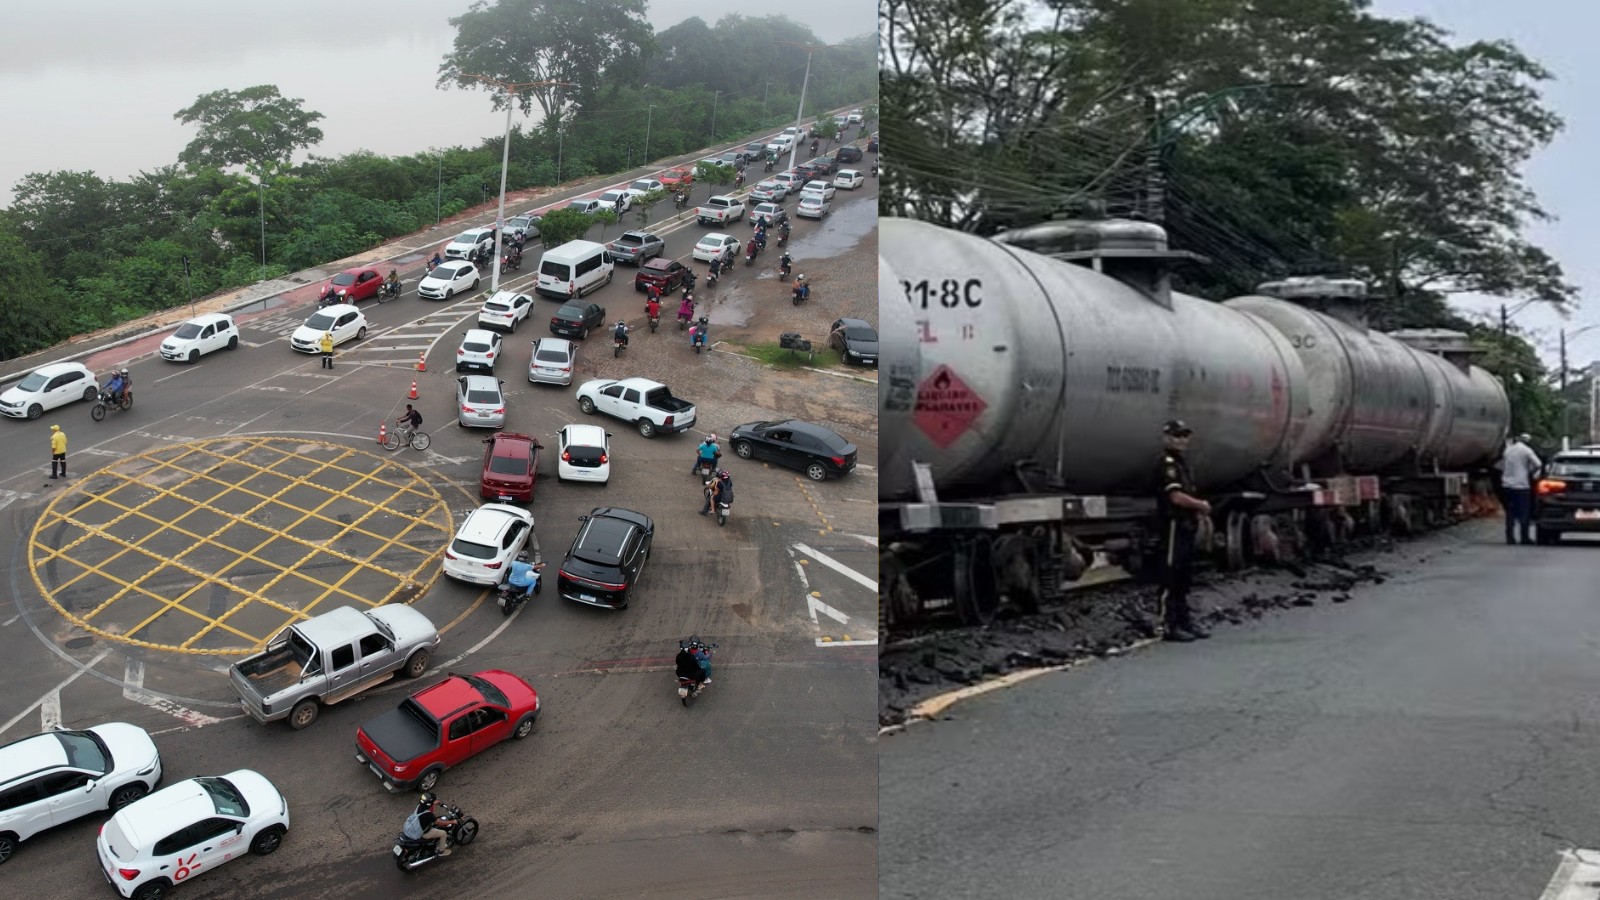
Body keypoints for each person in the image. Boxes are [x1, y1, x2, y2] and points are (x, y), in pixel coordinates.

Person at [1154, 419, 1210, 642]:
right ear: (1166, 438)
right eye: (1177, 436)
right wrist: (1200, 505)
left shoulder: (1181, 463)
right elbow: (1175, 497)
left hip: (1186, 525)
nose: (1181, 440)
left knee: (1184, 577)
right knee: (1170, 576)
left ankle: (1184, 621)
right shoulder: (1167, 464)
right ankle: (1167, 626)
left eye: (1185, 435)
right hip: (1173, 524)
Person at [1499, 433, 1542, 545]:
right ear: (1527, 441)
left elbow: (1501, 466)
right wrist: (1530, 471)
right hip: (1522, 485)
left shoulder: (1508, 450)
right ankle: (1524, 537)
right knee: (1524, 512)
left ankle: (1510, 537)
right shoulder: (1526, 450)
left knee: (1510, 513)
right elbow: (1538, 464)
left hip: (1507, 485)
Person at [405, 793, 458, 857]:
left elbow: (427, 804)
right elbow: (440, 823)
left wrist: (435, 802)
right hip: (424, 833)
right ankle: (441, 851)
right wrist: (452, 822)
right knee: (443, 833)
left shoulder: (420, 805)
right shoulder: (428, 815)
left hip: (416, 826)